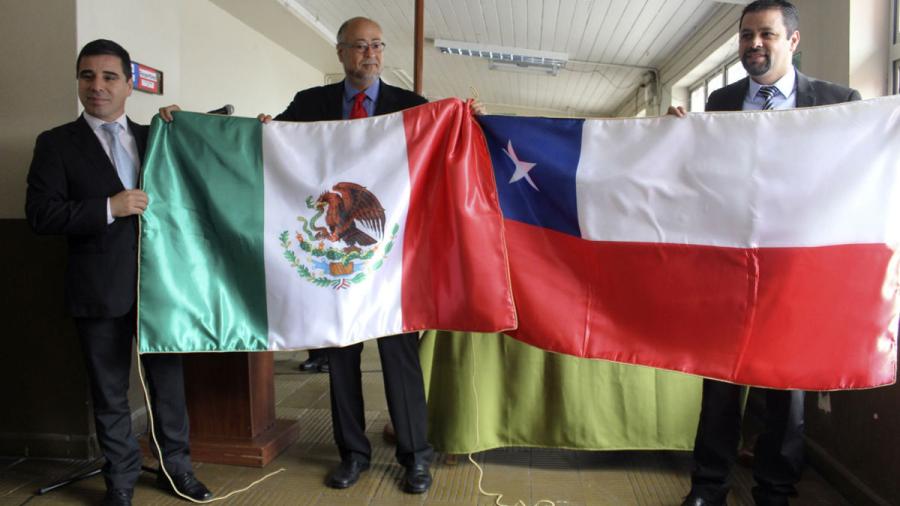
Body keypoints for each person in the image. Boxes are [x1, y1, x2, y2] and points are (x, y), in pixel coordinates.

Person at [668, 2, 861, 505]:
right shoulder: (720, 100)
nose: (754, 44)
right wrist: (676, 137)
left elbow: (857, 179)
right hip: (731, 268)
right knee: (720, 387)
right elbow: (701, 177)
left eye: (766, 35)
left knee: (787, 393)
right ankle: (708, 488)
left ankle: (775, 491)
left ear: (792, 41)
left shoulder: (840, 101)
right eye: (746, 35)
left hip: (796, 272)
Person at [25, 39, 212, 506]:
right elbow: (41, 215)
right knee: (109, 394)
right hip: (96, 289)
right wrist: (108, 207)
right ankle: (121, 482)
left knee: (169, 387)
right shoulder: (55, 144)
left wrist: (185, 127)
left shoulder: (156, 136)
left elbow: (206, 176)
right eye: (88, 76)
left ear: (130, 85)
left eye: (109, 77)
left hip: (160, 288)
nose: (97, 86)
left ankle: (177, 470)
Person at [259, 17, 435, 494]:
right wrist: (262, 130)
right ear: (340, 53)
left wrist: (468, 116)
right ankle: (352, 454)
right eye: (359, 47)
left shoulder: (413, 108)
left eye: (377, 45)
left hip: (393, 261)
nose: (370, 54)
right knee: (340, 359)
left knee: (400, 360)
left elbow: (449, 145)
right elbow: (272, 148)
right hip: (333, 260)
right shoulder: (309, 105)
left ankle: (415, 456)